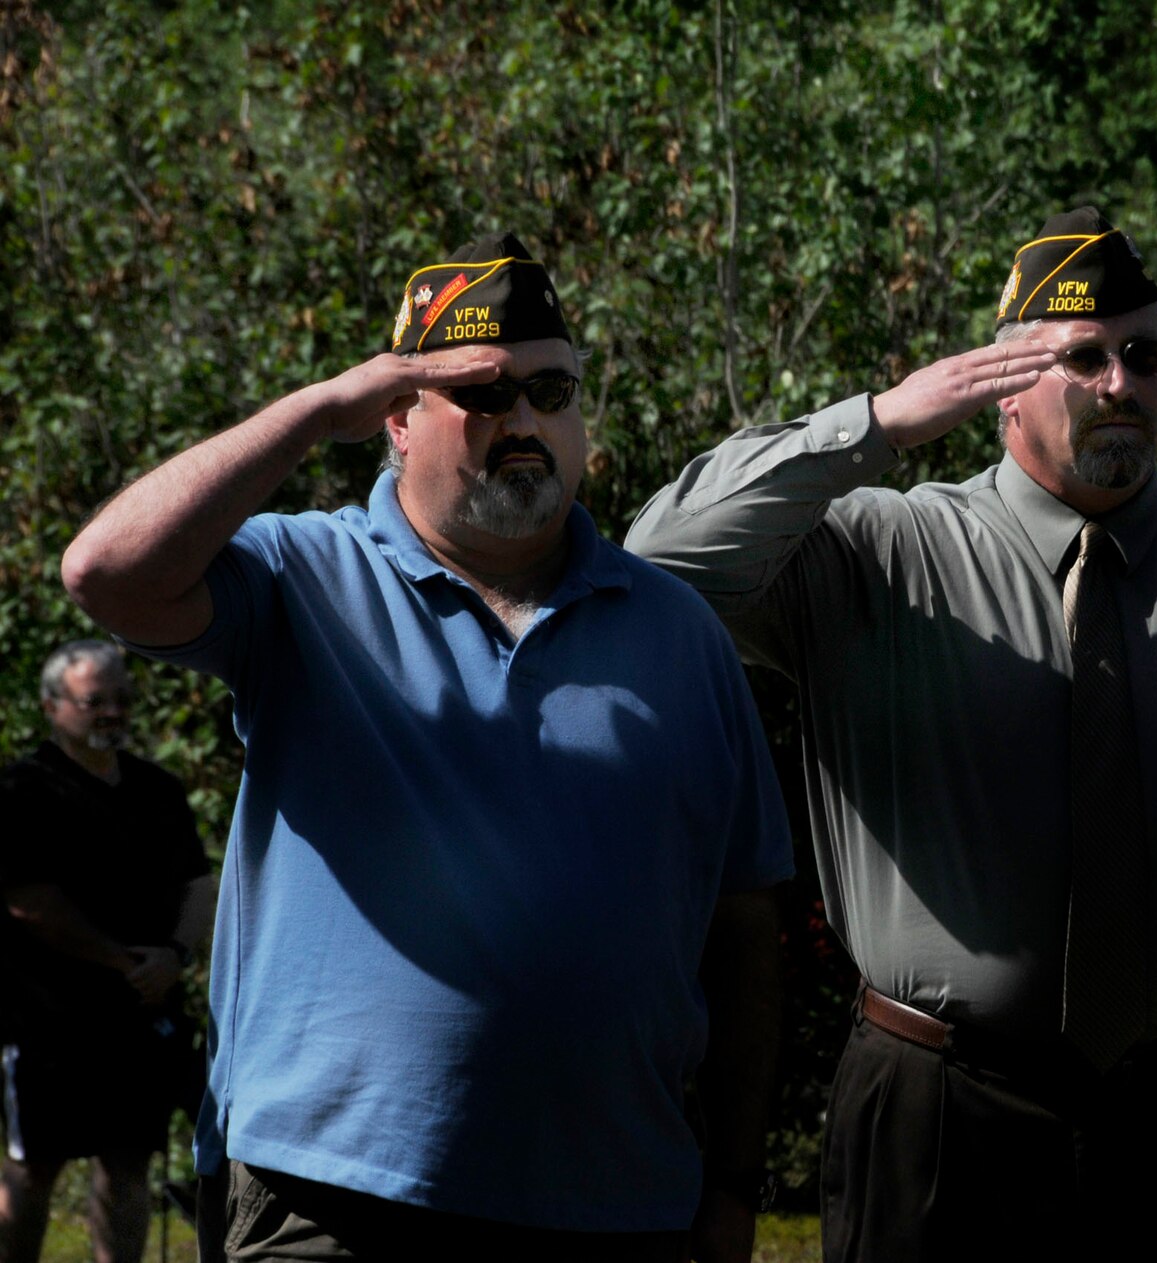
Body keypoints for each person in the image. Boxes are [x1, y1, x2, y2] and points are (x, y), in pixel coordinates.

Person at [625, 206, 1157, 1260]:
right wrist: (881, 421)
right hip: (939, 1106)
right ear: (1000, 383)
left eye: (1144, 356)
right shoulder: (879, 555)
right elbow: (663, 558)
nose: (1119, 383)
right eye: (1080, 358)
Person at [60, 232, 793, 1262]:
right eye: (483, 394)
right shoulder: (302, 576)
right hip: (335, 1196)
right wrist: (322, 407)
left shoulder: (675, 631)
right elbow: (106, 572)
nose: (525, 421)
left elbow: (743, 922)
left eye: (551, 389)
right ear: (398, 417)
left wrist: (731, 1184)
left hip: (617, 1201)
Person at [0, 640, 216, 1263]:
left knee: (127, 1164)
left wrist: (175, 955)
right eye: (96, 701)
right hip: (44, 1020)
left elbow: (198, 885)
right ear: (51, 705)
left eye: (122, 700)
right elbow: (27, 901)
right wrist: (127, 965)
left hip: (139, 1019)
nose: (113, 713)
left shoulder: (158, 791)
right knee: (32, 1167)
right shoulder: (22, 791)